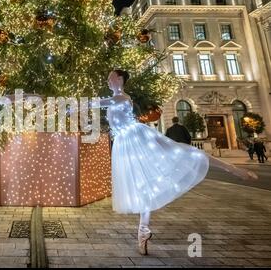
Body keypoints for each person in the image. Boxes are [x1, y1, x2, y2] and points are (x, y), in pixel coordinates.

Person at [93, 70, 258, 255]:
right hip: (124, 143)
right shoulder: (116, 99)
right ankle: (143, 231)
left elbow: (98, 103)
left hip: (136, 137)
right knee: (144, 187)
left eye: (111, 77)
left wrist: (67, 104)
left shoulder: (122, 98)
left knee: (183, 153)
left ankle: (233, 169)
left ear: (120, 79)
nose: (107, 80)